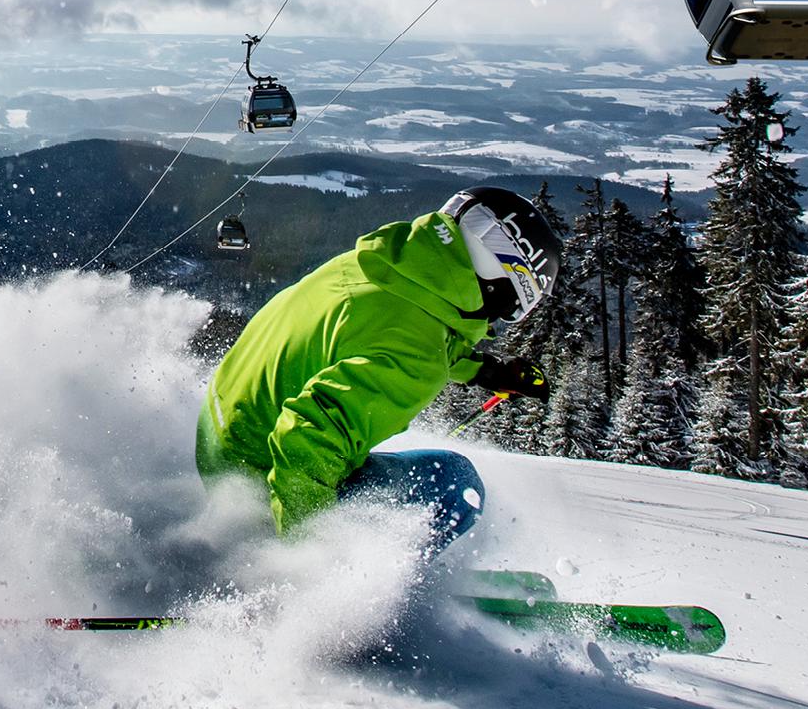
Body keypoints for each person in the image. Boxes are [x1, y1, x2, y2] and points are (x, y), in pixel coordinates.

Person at [195, 186, 561, 556]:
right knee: (456, 484)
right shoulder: (418, 354)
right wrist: (305, 572)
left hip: (223, 433)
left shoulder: (382, 268)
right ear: (501, 275)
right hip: (261, 479)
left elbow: (394, 333)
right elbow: (306, 443)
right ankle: (380, 587)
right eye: (518, 304)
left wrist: (485, 371)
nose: (508, 317)